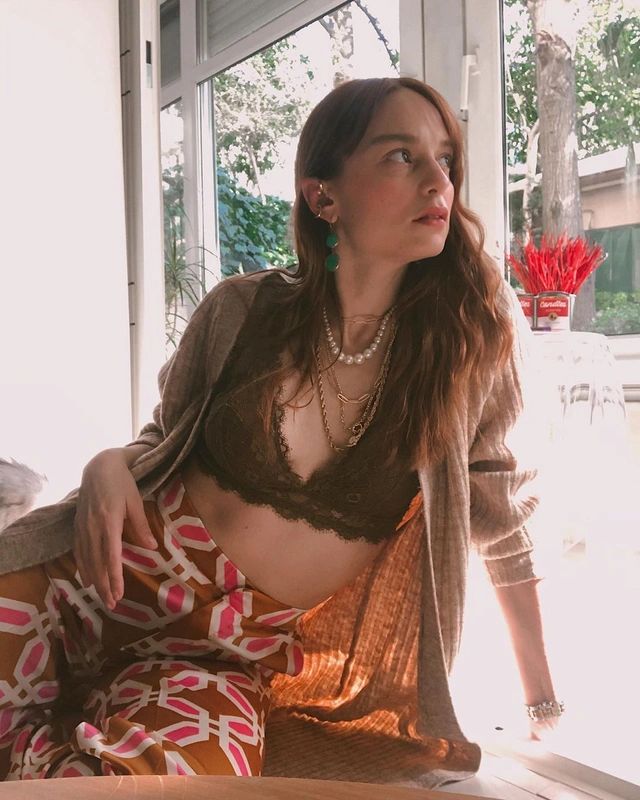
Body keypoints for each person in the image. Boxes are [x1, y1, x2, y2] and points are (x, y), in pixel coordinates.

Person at [0, 77, 561, 786]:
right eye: (401, 155)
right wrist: (106, 464)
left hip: (214, 659)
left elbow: (502, 517)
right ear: (322, 196)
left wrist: (543, 701)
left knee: (160, 788)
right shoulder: (242, 309)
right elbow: (161, 440)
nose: (437, 181)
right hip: (81, 583)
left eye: (445, 159)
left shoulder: (468, 341)